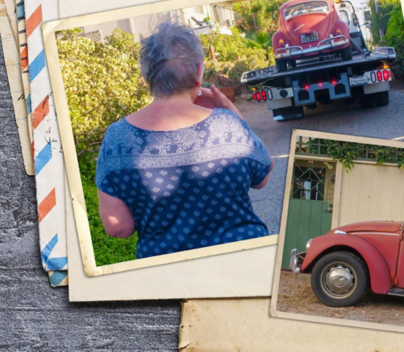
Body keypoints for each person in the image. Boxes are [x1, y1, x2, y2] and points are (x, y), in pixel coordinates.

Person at [94, 22, 272, 259]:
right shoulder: (228, 124)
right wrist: (229, 109)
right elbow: (262, 177)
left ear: (147, 75)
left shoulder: (116, 138)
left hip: (168, 274)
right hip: (243, 259)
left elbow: (118, 227)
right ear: (199, 70)